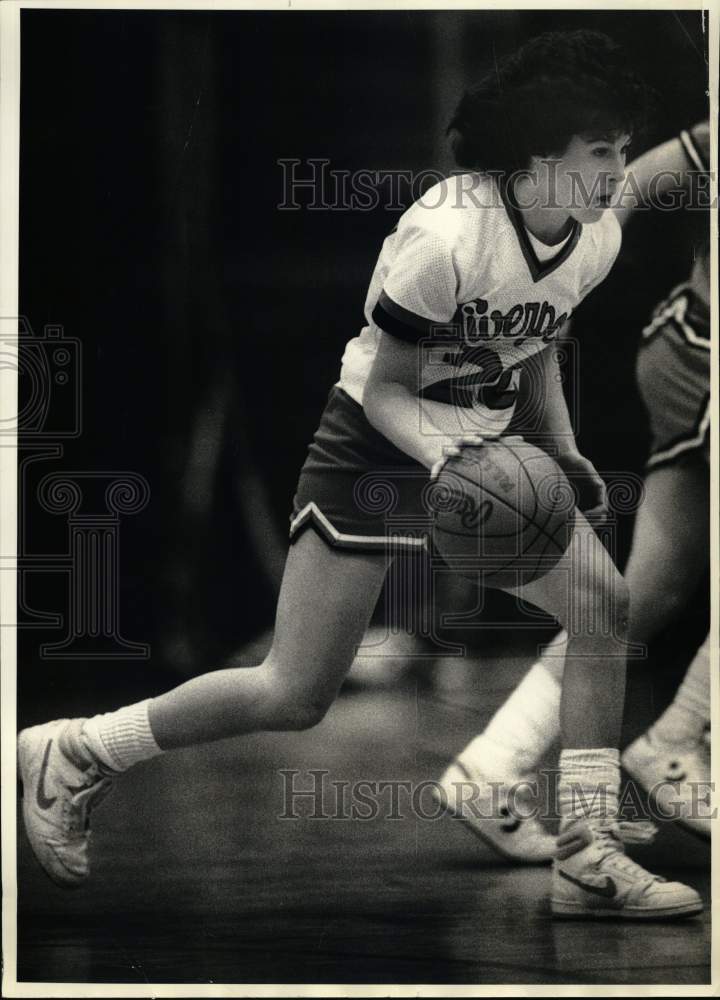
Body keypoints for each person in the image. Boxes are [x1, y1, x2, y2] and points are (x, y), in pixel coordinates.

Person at [17, 31, 703, 919]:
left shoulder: (594, 236)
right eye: (604, 150)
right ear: (541, 157)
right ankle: (76, 748)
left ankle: (587, 849)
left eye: (622, 147)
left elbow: (538, 342)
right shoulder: (445, 234)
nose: (622, 168)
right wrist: (440, 457)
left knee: (602, 611)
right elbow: (384, 390)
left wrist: (561, 444)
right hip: (377, 446)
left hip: (482, 449)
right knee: (295, 693)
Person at [438, 121, 712, 851]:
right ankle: (682, 743)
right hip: (704, 353)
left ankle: (492, 766)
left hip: (690, 353)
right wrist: (562, 289)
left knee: (640, 595)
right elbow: (637, 185)